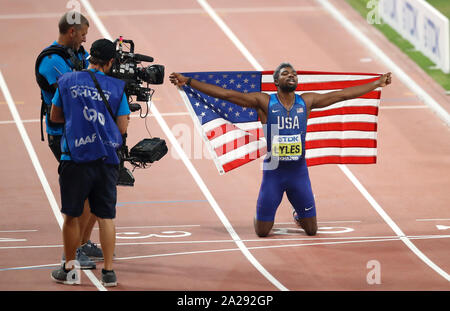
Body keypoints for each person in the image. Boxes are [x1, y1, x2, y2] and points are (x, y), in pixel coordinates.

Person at [169, 63, 392, 237]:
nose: (292, 75)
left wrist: (377, 83)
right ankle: (265, 211)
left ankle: (298, 214)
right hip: (274, 173)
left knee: (312, 231)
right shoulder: (264, 102)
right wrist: (188, 81)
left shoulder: (307, 101)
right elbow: (226, 95)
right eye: (286, 73)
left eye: (294, 74)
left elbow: (342, 95)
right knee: (262, 232)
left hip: (298, 172)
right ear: (276, 81)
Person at [49, 38, 130, 286]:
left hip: (74, 158)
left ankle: (69, 270)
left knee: (72, 216)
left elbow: (55, 116)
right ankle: (108, 272)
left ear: (89, 58)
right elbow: (122, 126)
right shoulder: (117, 87)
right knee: (106, 216)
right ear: (111, 62)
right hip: (105, 159)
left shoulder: (66, 81)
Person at [35, 11, 101, 268]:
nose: (85, 39)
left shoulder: (77, 53)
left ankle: (82, 244)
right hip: (63, 135)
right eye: (83, 34)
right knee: (82, 194)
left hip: (85, 131)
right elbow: (72, 94)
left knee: (98, 192)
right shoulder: (51, 61)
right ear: (72, 32)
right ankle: (71, 252)